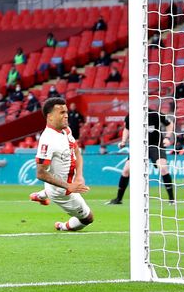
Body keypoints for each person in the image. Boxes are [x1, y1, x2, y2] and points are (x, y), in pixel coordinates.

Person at [28, 98, 94, 232]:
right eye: (61, 112)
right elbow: (40, 173)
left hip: (66, 182)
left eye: (66, 112)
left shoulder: (66, 130)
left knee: (52, 185)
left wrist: (79, 176)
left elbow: (77, 152)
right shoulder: (47, 141)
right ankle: (62, 226)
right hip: (62, 192)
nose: (66, 115)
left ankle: (39, 196)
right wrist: (69, 186)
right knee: (88, 219)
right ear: (50, 117)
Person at [107, 111, 175, 205]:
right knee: (126, 170)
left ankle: (171, 199)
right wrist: (123, 141)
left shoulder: (155, 114)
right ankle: (118, 199)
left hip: (155, 145)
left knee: (163, 168)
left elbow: (170, 123)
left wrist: (167, 137)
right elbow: (127, 129)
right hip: (138, 147)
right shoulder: (132, 115)